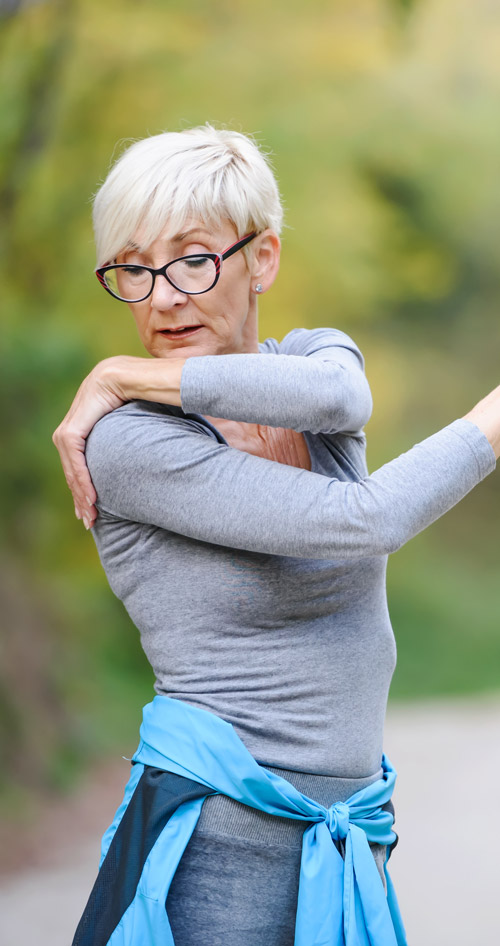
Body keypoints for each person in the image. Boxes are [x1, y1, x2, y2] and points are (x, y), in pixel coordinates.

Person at [52, 124, 499, 946]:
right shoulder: (127, 445)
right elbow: (362, 521)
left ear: (262, 259)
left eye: (191, 259)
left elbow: (342, 401)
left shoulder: (312, 366)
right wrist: (489, 426)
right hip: (217, 855)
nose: (160, 296)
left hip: (348, 836)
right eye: (134, 268)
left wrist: (123, 368)